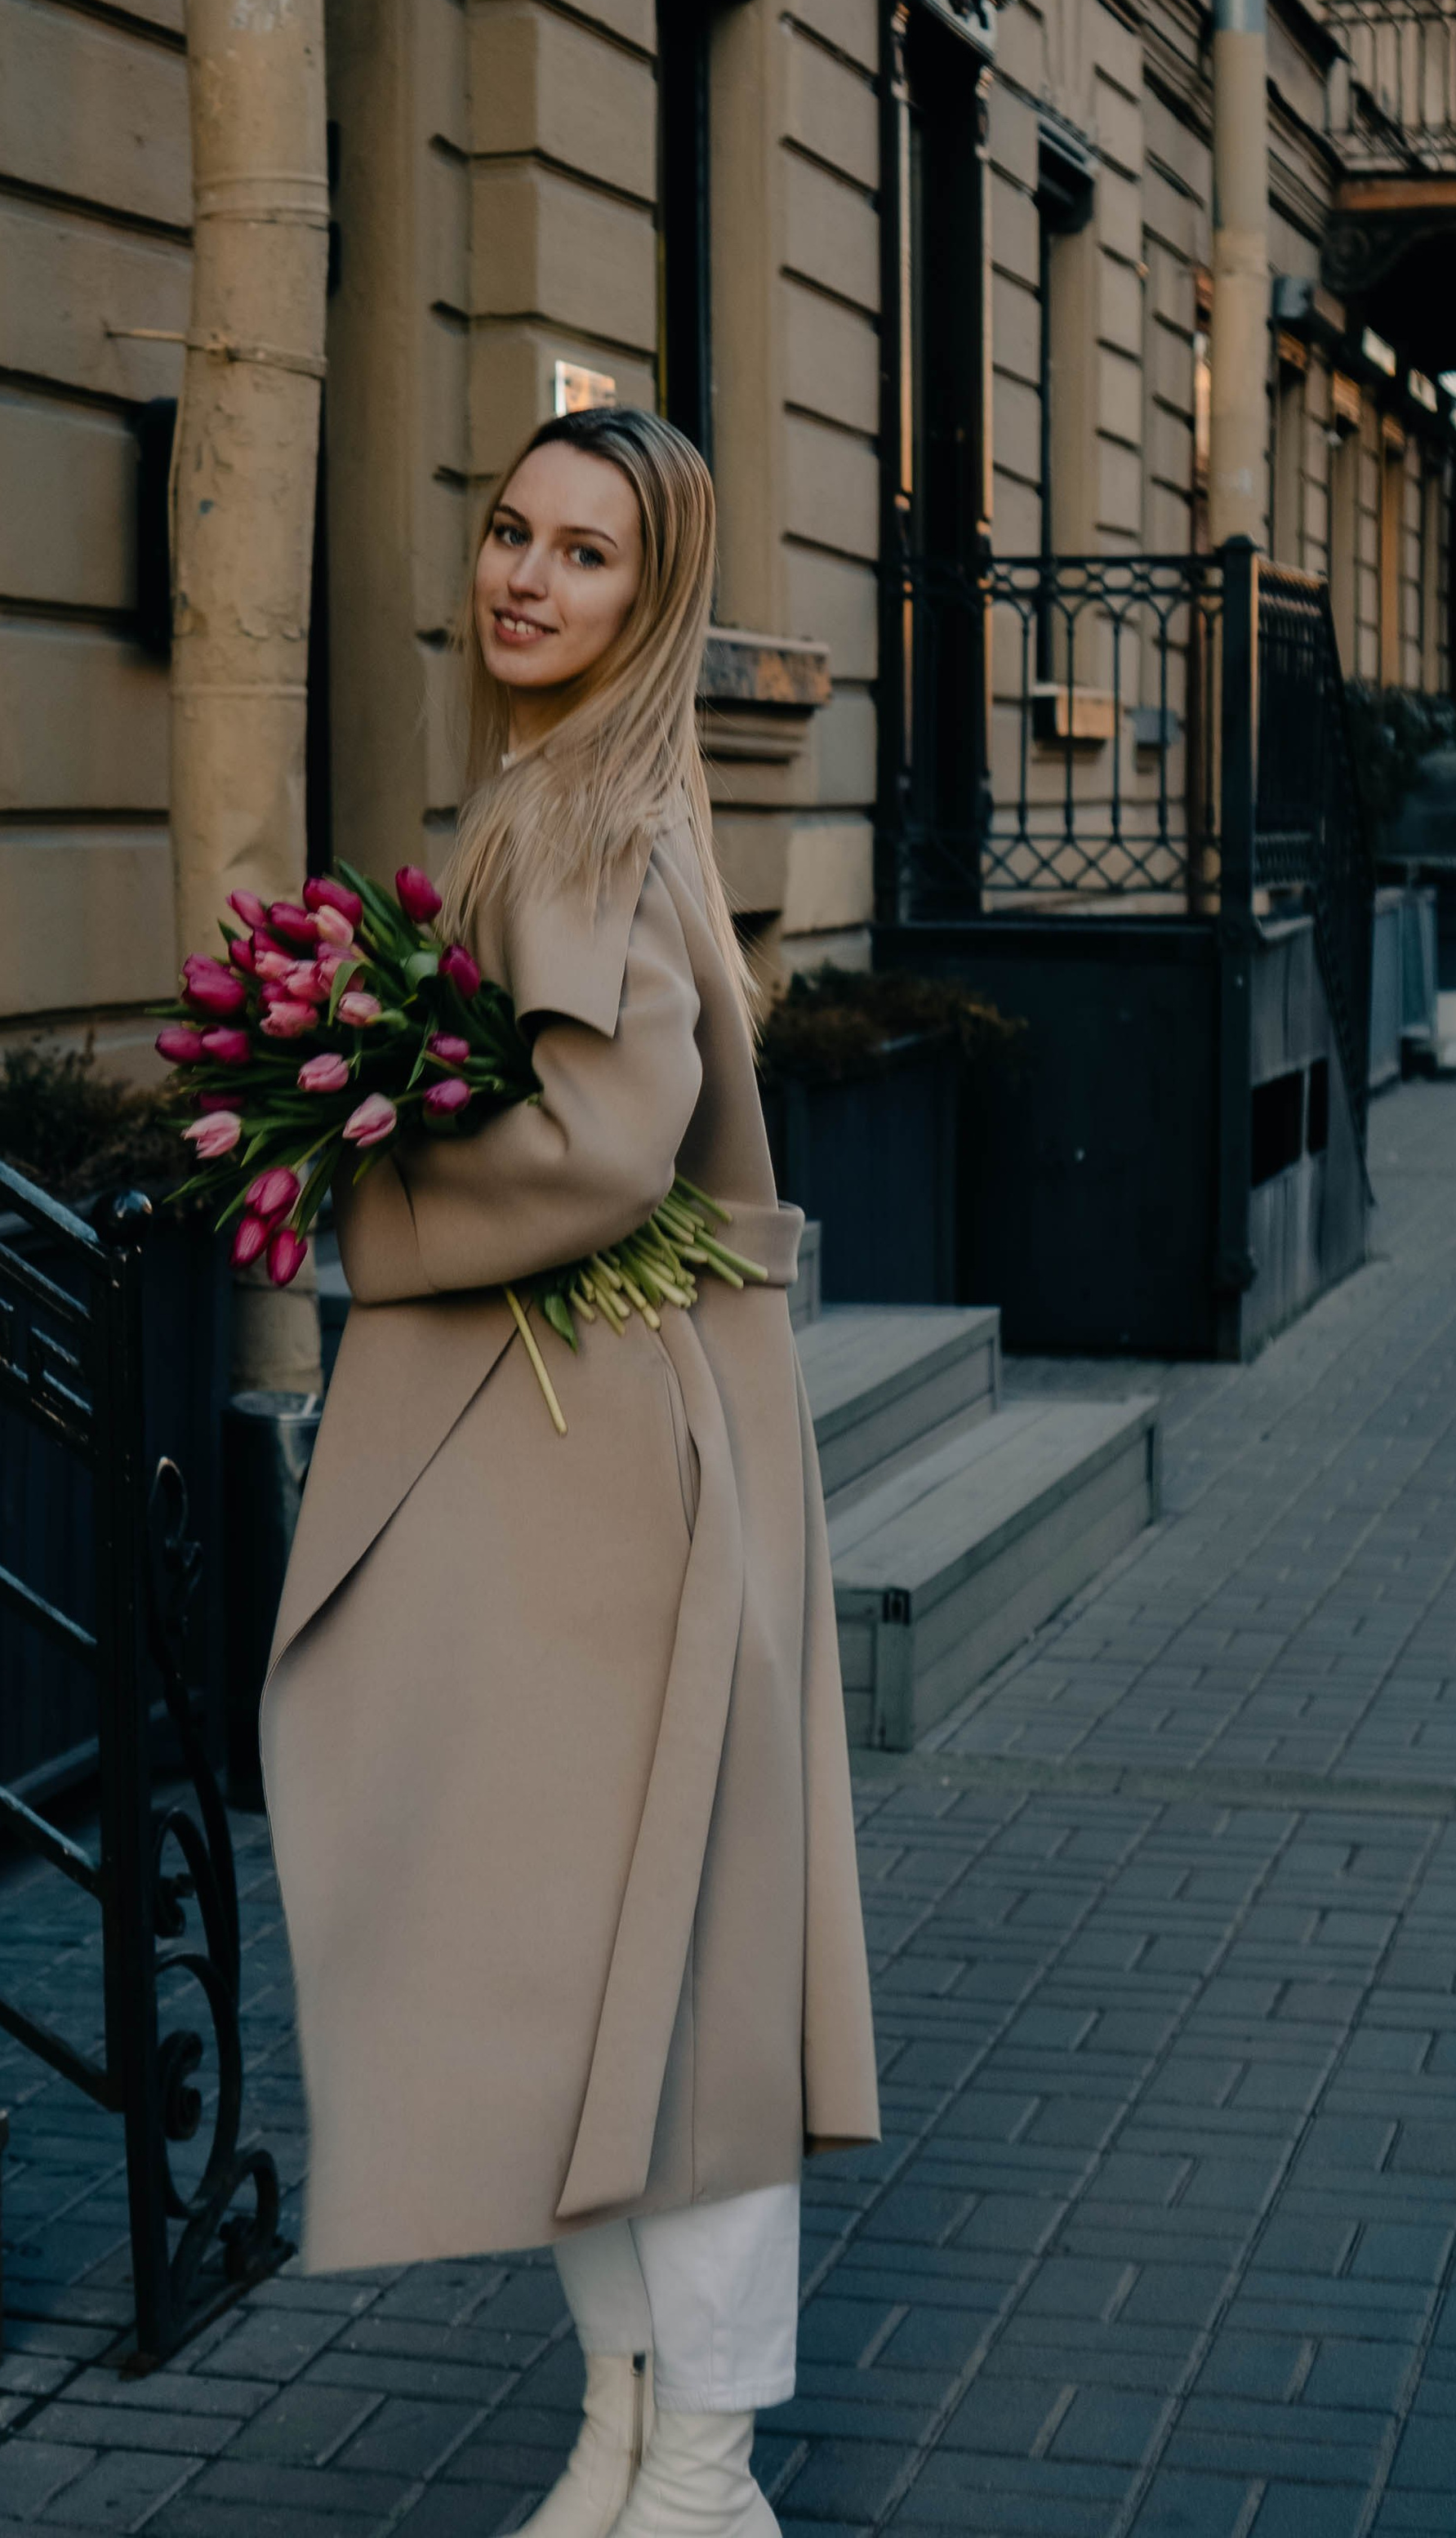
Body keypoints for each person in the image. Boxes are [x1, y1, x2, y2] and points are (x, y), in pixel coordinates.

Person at [261, 408, 879, 2537]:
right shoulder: (558, 791)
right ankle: (628, 2433)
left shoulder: (597, 811)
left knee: (672, 1994)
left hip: (623, 1469)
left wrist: (365, 1182)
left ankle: (701, 2474)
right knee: (583, 1974)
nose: (526, 575)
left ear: (658, 597)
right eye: (510, 531)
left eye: (586, 553)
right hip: (589, 1463)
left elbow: (614, 1144)